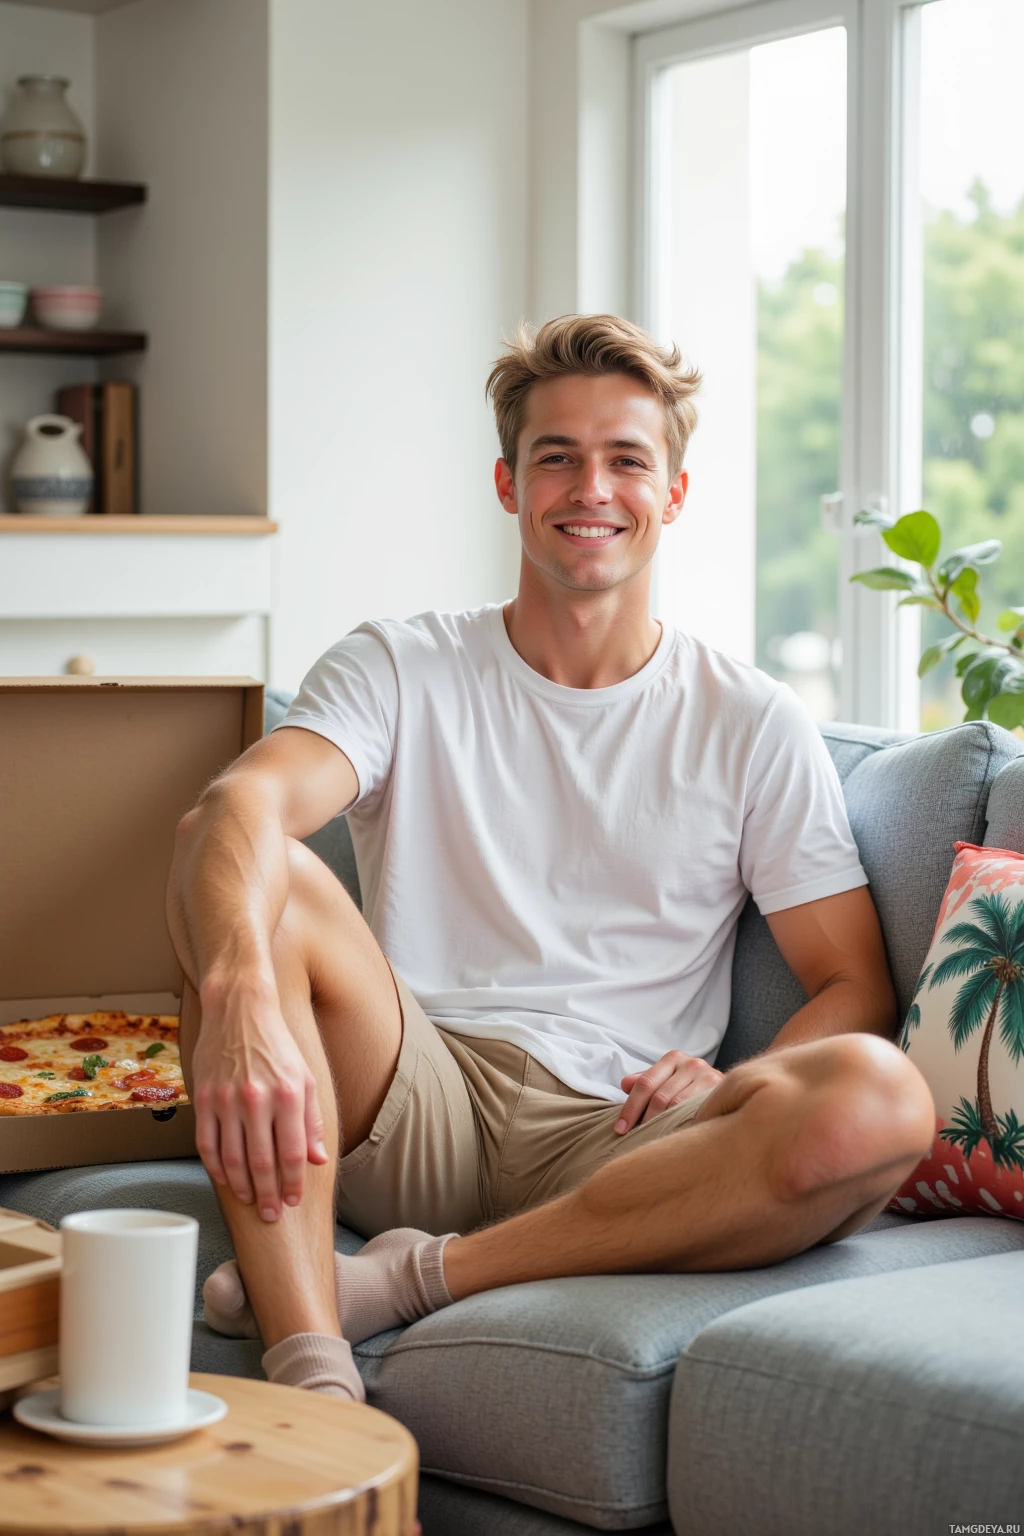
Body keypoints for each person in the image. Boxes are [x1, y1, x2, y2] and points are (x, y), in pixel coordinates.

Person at [166, 314, 934, 1403]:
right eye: (556, 457)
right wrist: (239, 990)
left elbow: (852, 983)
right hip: (407, 1088)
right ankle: (315, 1376)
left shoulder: (750, 719)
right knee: (238, 862)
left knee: (879, 1098)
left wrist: (736, 1080)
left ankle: (409, 1283)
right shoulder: (403, 663)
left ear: (672, 493)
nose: (591, 489)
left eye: (627, 459)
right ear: (507, 482)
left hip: (621, 1130)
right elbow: (239, 804)